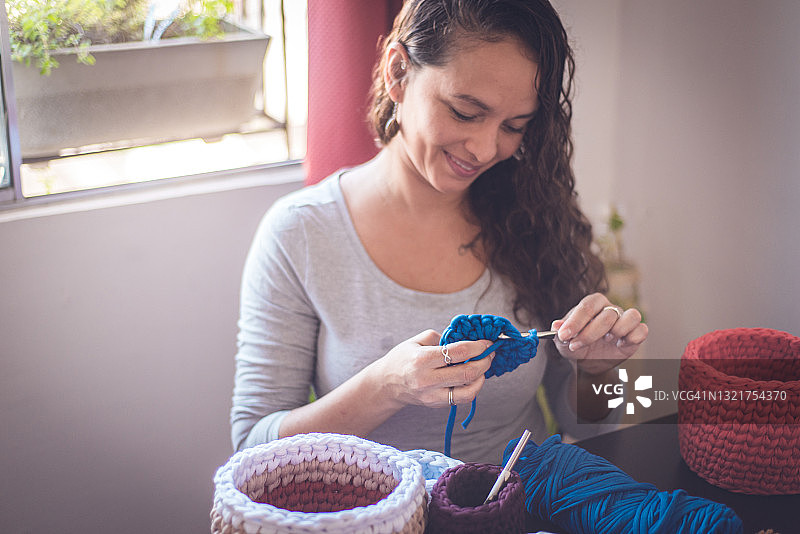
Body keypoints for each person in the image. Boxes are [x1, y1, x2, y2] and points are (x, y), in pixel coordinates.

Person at [231, 0, 648, 464]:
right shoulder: (301, 233)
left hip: (519, 510)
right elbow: (252, 449)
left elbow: (584, 428)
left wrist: (597, 374)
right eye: (466, 112)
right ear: (397, 72)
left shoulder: (533, 217)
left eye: (514, 126)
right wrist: (385, 386)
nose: (486, 148)